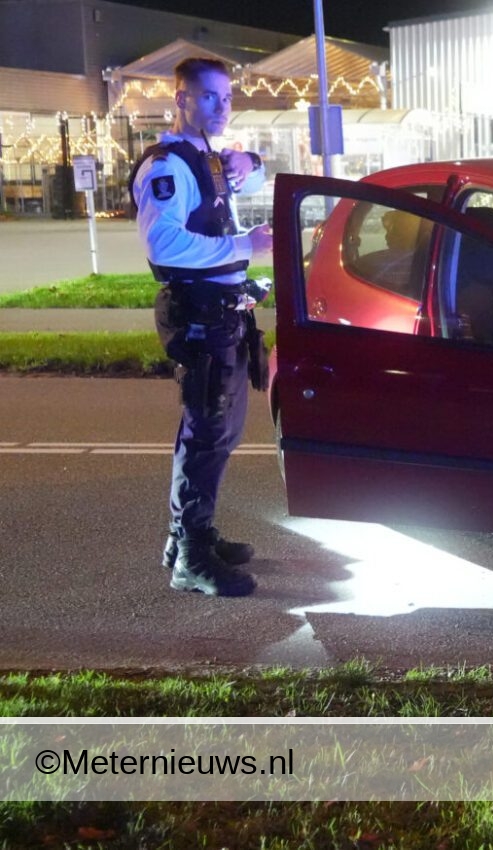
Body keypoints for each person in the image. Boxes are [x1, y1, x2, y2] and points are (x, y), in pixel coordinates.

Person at [130, 56, 274, 597]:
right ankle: (191, 557)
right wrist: (244, 246)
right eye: (209, 96)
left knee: (216, 431)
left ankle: (188, 536)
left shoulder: (208, 157)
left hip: (223, 311)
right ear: (181, 99)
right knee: (207, 432)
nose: (222, 106)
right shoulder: (167, 166)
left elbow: (252, 172)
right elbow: (164, 244)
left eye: (228, 97)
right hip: (199, 314)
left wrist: (244, 156)